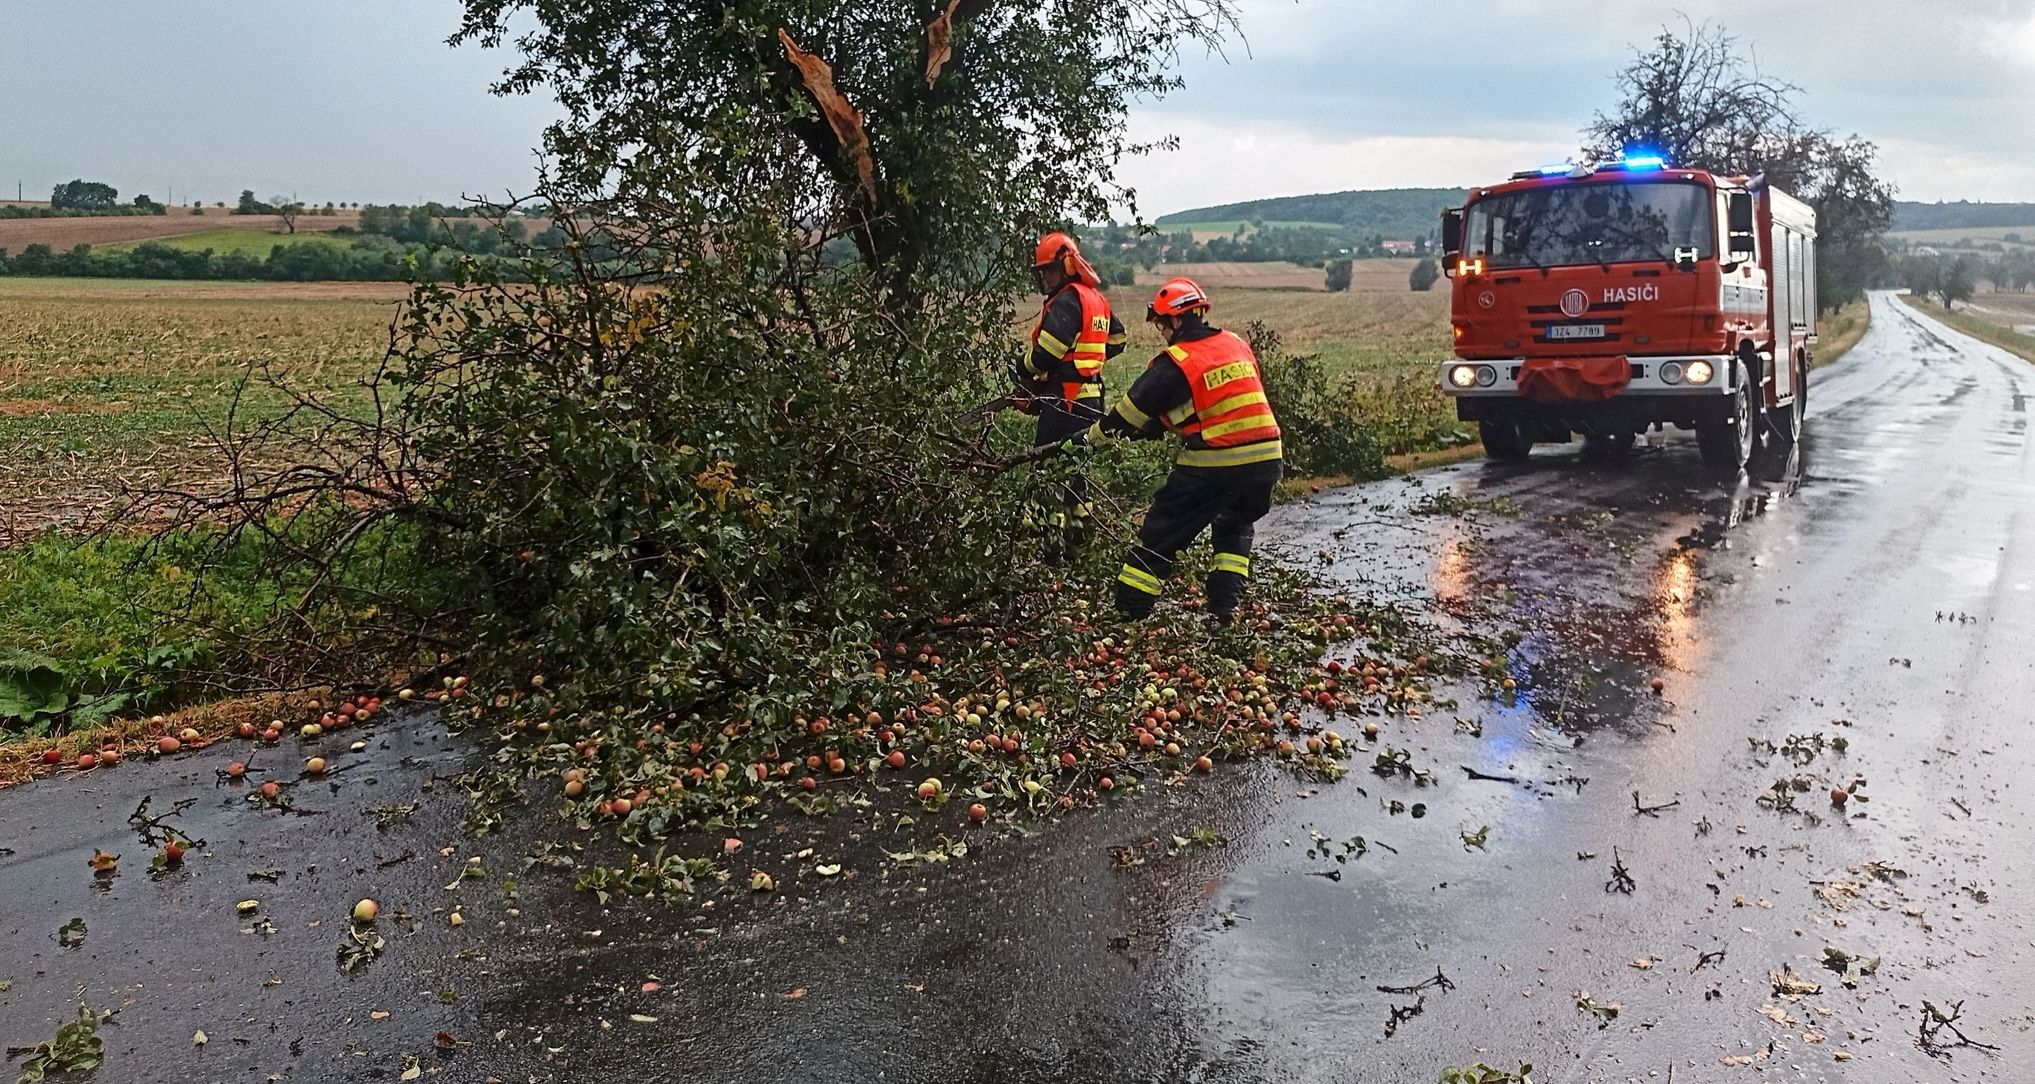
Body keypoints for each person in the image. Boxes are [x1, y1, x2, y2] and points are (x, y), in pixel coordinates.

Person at [1085, 277, 1283, 625]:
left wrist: (1090, 442)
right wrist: (1159, 426)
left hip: (1218, 460)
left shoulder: (1176, 361)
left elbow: (1127, 416)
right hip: (1267, 458)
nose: (1162, 332)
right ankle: (1224, 609)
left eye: (1162, 324)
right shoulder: (1234, 343)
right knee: (1235, 523)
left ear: (1175, 320)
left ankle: (1130, 612)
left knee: (1164, 529)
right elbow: (1215, 402)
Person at [1016, 232, 1126, 557]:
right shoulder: (1095, 298)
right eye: (1042, 272)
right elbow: (1117, 341)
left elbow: (1045, 354)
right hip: (1090, 399)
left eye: (1049, 270)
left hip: (1065, 398)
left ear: (1067, 265)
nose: (1046, 277)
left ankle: (1050, 550)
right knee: (1076, 470)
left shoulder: (1066, 300)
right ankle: (1079, 542)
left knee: (1047, 469)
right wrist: (1083, 358)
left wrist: (1022, 368)